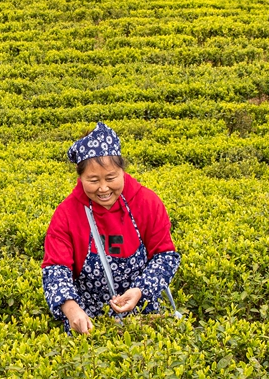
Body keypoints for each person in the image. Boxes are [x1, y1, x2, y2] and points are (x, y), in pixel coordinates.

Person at [42, 122, 180, 335]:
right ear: (80, 178)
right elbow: (56, 269)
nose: (104, 188)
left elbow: (165, 256)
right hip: (87, 318)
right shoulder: (66, 213)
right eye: (93, 180)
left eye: (111, 178)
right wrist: (71, 308)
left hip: (143, 311)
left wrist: (140, 290)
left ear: (122, 171)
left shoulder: (147, 202)